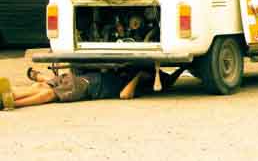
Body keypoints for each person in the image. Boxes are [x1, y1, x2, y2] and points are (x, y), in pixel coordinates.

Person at [2, 66, 183, 109]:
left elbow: (124, 95)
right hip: (84, 83)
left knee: (43, 87)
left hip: (84, 82)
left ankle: (11, 98)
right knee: (47, 91)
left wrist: (138, 77)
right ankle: (12, 100)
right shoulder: (131, 79)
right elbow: (124, 95)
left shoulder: (141, 87)